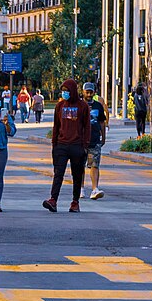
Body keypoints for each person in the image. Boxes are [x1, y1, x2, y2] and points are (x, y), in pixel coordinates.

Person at [42, 79, 91, 213]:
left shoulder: (83, 106)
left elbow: (87, 126)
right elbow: (56, 126)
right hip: (61, 145)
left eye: (67, 91)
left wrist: (85, 145)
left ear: (73, 91)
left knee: (77, 175)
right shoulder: (60, 106)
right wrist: (54, 144)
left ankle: (75, 202)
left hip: (77, 146)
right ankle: (53, 200)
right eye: (63, 91)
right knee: (58, 174)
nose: (64, 93)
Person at [82, 82, 107, 200]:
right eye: (87, 92)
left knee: (94, 164)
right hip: (81, 140)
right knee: (79, 165)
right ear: (83, 92)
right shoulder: (79, 105)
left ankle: (95, 189)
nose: (89, 94)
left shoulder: (98, 106)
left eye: (91, 92)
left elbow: (102, 122)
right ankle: (80, 188)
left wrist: (103, 137)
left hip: (95, 139)